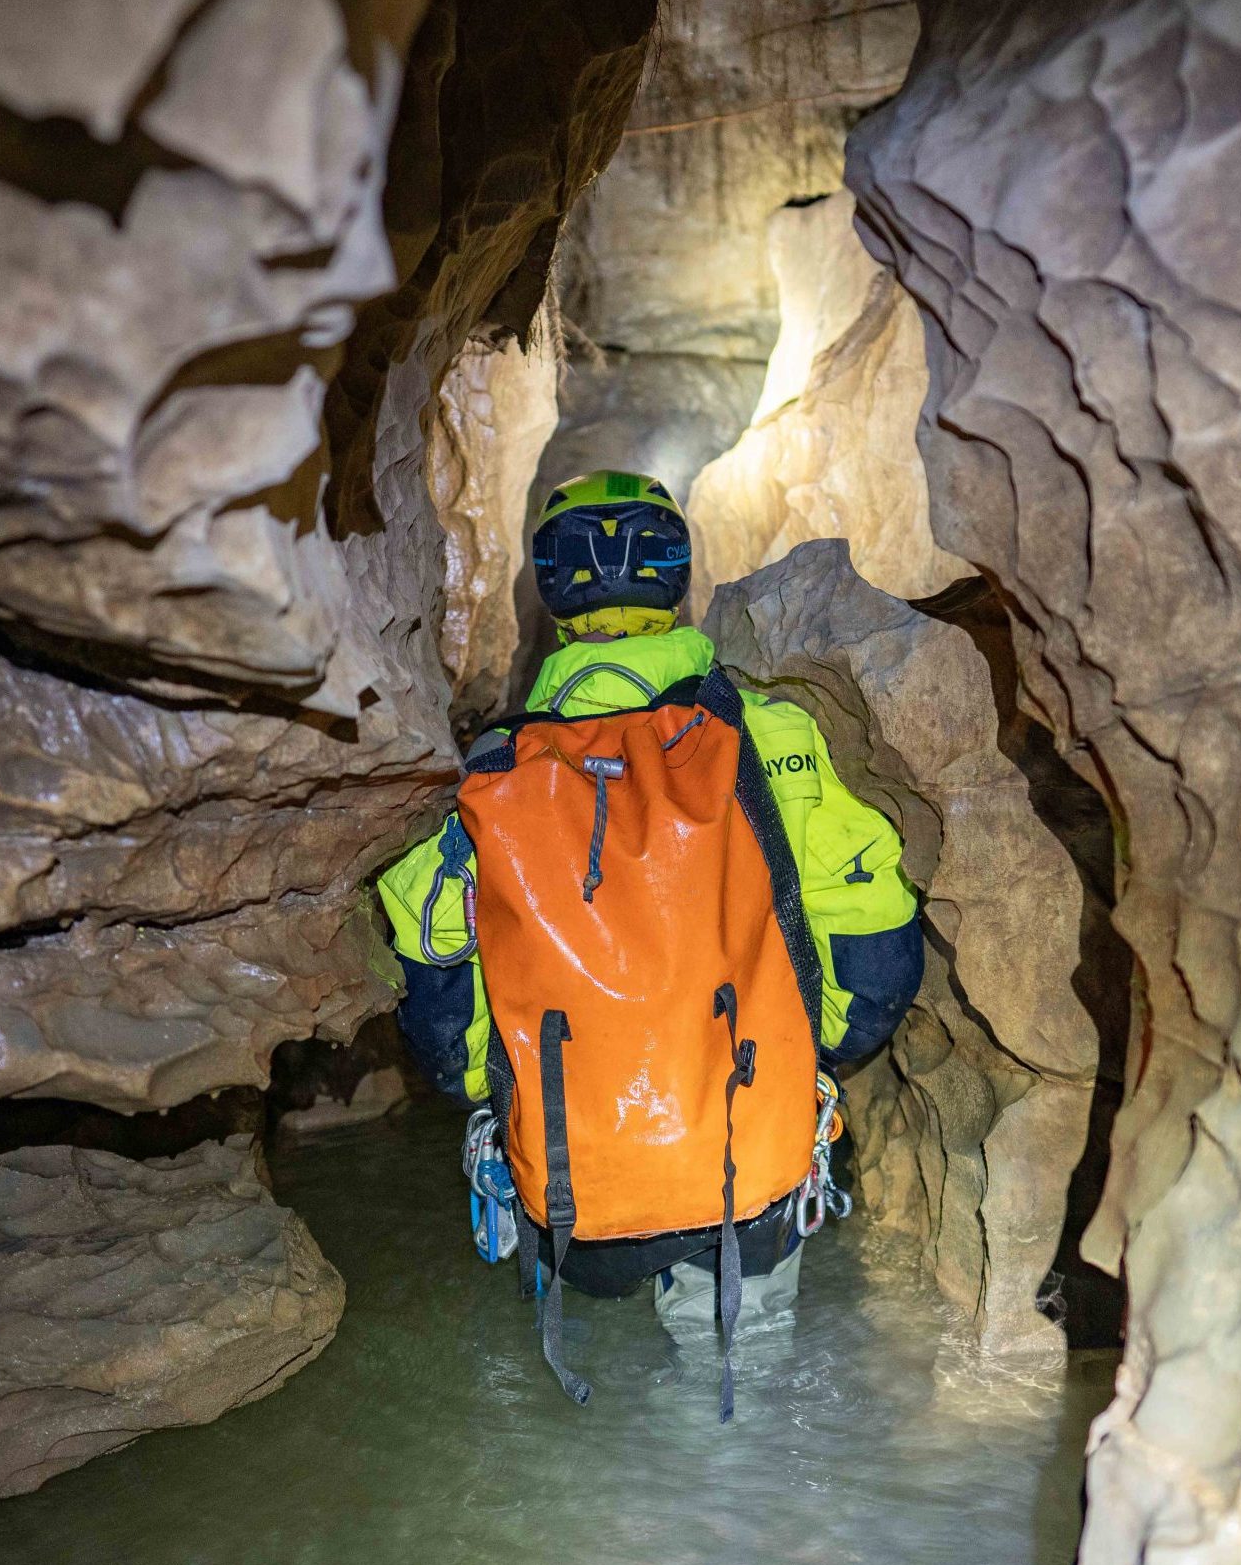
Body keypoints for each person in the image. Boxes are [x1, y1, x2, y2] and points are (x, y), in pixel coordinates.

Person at [377, 470, 920, 1411]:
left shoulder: (481, 781)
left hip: (576, 1186)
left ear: (554, 593)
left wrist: (501, 1095)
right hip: (742, 1167)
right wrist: (806, 1057)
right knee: (734, 1389)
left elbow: (441, 1022)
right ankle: (709, 1516)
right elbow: (877, 960)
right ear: (676, 581)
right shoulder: (773, 740)